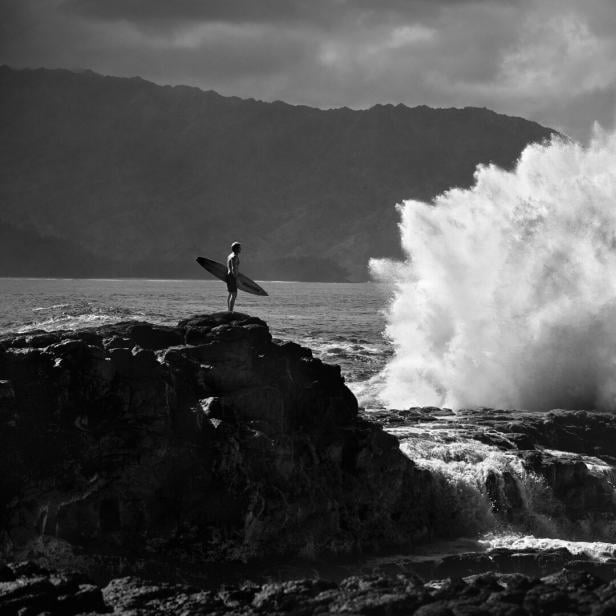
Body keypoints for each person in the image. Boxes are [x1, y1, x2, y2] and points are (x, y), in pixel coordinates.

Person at [226, 242, 241, 312]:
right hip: (232, 276)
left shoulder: (230, 255)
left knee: (230, 293)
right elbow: (233, 268)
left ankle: (229, 310)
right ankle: (230, 312)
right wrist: (236, 278)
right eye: (239, 248)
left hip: (228, 275)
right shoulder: (234, 256)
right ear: (236, 249)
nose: (241, 249)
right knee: (234, 294)